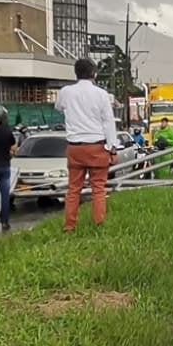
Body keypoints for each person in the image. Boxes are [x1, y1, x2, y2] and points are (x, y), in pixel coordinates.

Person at [53, 57, 119, 232]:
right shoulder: (101, 94)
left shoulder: (65, 92)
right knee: (98, 188)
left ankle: (69, 226)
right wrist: (113, 148)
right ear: (94, 74)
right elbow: (108, 122)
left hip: (75, 147)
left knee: (73, 189)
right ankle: (98, 224)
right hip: (97, 146)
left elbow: (58, 107)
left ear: (76, 73)